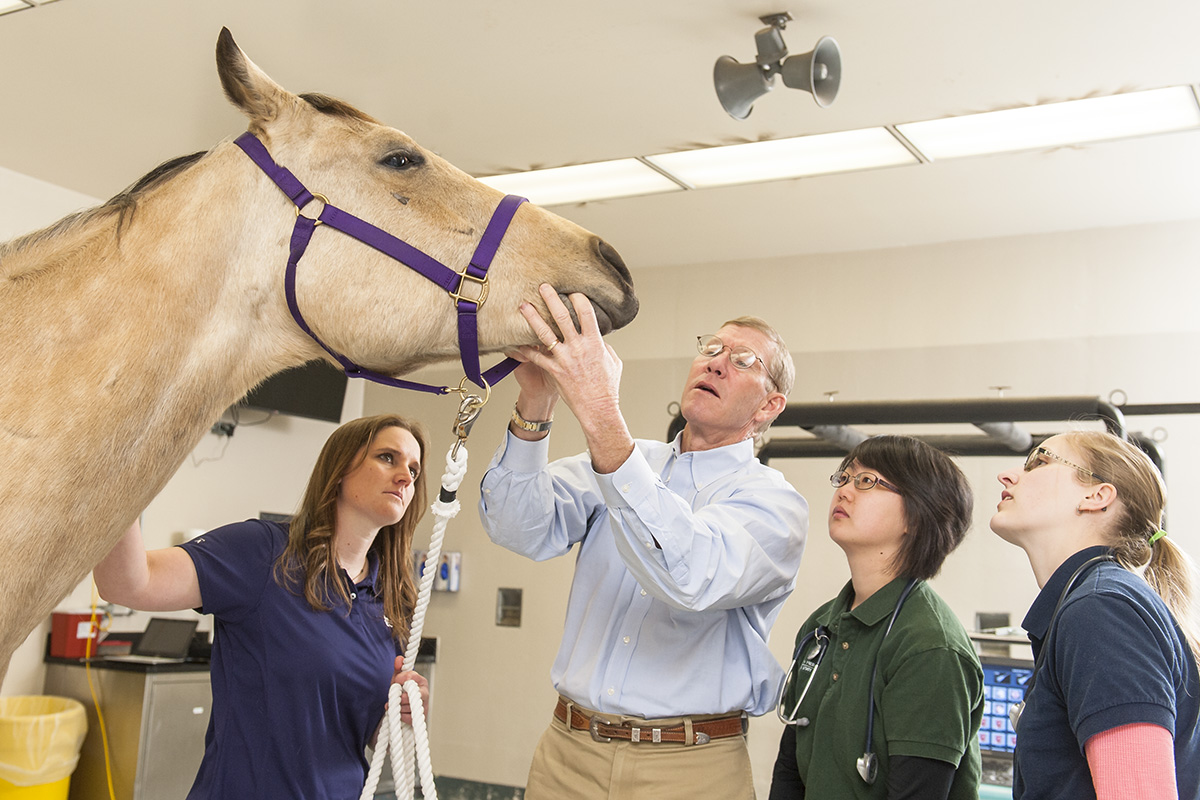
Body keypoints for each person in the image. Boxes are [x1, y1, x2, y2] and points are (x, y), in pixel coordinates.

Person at [478, 284, 809, 800]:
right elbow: (517, 527)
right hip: (569, 752)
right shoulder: (627, 462)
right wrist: (537, 400)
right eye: (712, 349)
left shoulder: (775, 506)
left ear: (770, 406)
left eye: (743, 360)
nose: (717, 363)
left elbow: (687, 575)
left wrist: (598, 408)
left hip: (689, 767)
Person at [93, 413, 432, 799]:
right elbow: (126, 584)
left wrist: (402, 712)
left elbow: (370, 735)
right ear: (339, 470)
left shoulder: (393, 601)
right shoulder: (265, 553)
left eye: (414, 469)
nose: (406, 476)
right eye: (387, 457)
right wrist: (115, 466)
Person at [769, 434, 984, 800]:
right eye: (845, 477)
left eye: (867, 481)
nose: (845, 491)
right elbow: (791, 769)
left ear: (917, 517)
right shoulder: (820, 627)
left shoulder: (929, 647)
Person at [990, 430, 1200, 799]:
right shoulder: (1092, 602)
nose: (1007, 476)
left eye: (1039, 461)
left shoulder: (1103, 610)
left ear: (1096, 495)